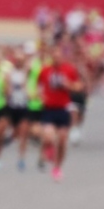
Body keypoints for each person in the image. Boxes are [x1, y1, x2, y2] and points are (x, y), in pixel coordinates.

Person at [37, 45, 83, 182]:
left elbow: (79, 87)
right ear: (51, 56)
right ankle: (48, 149)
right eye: (54, 55)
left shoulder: (69, 70)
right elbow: (39, 86)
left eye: (59, 55)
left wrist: (69, 85)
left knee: (62, 140)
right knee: (48, 136)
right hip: (49, 109)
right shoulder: (45, 71)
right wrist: (40, 96)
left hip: (63, 109)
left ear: (63, 56)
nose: (56, 58)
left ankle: (57, 167)